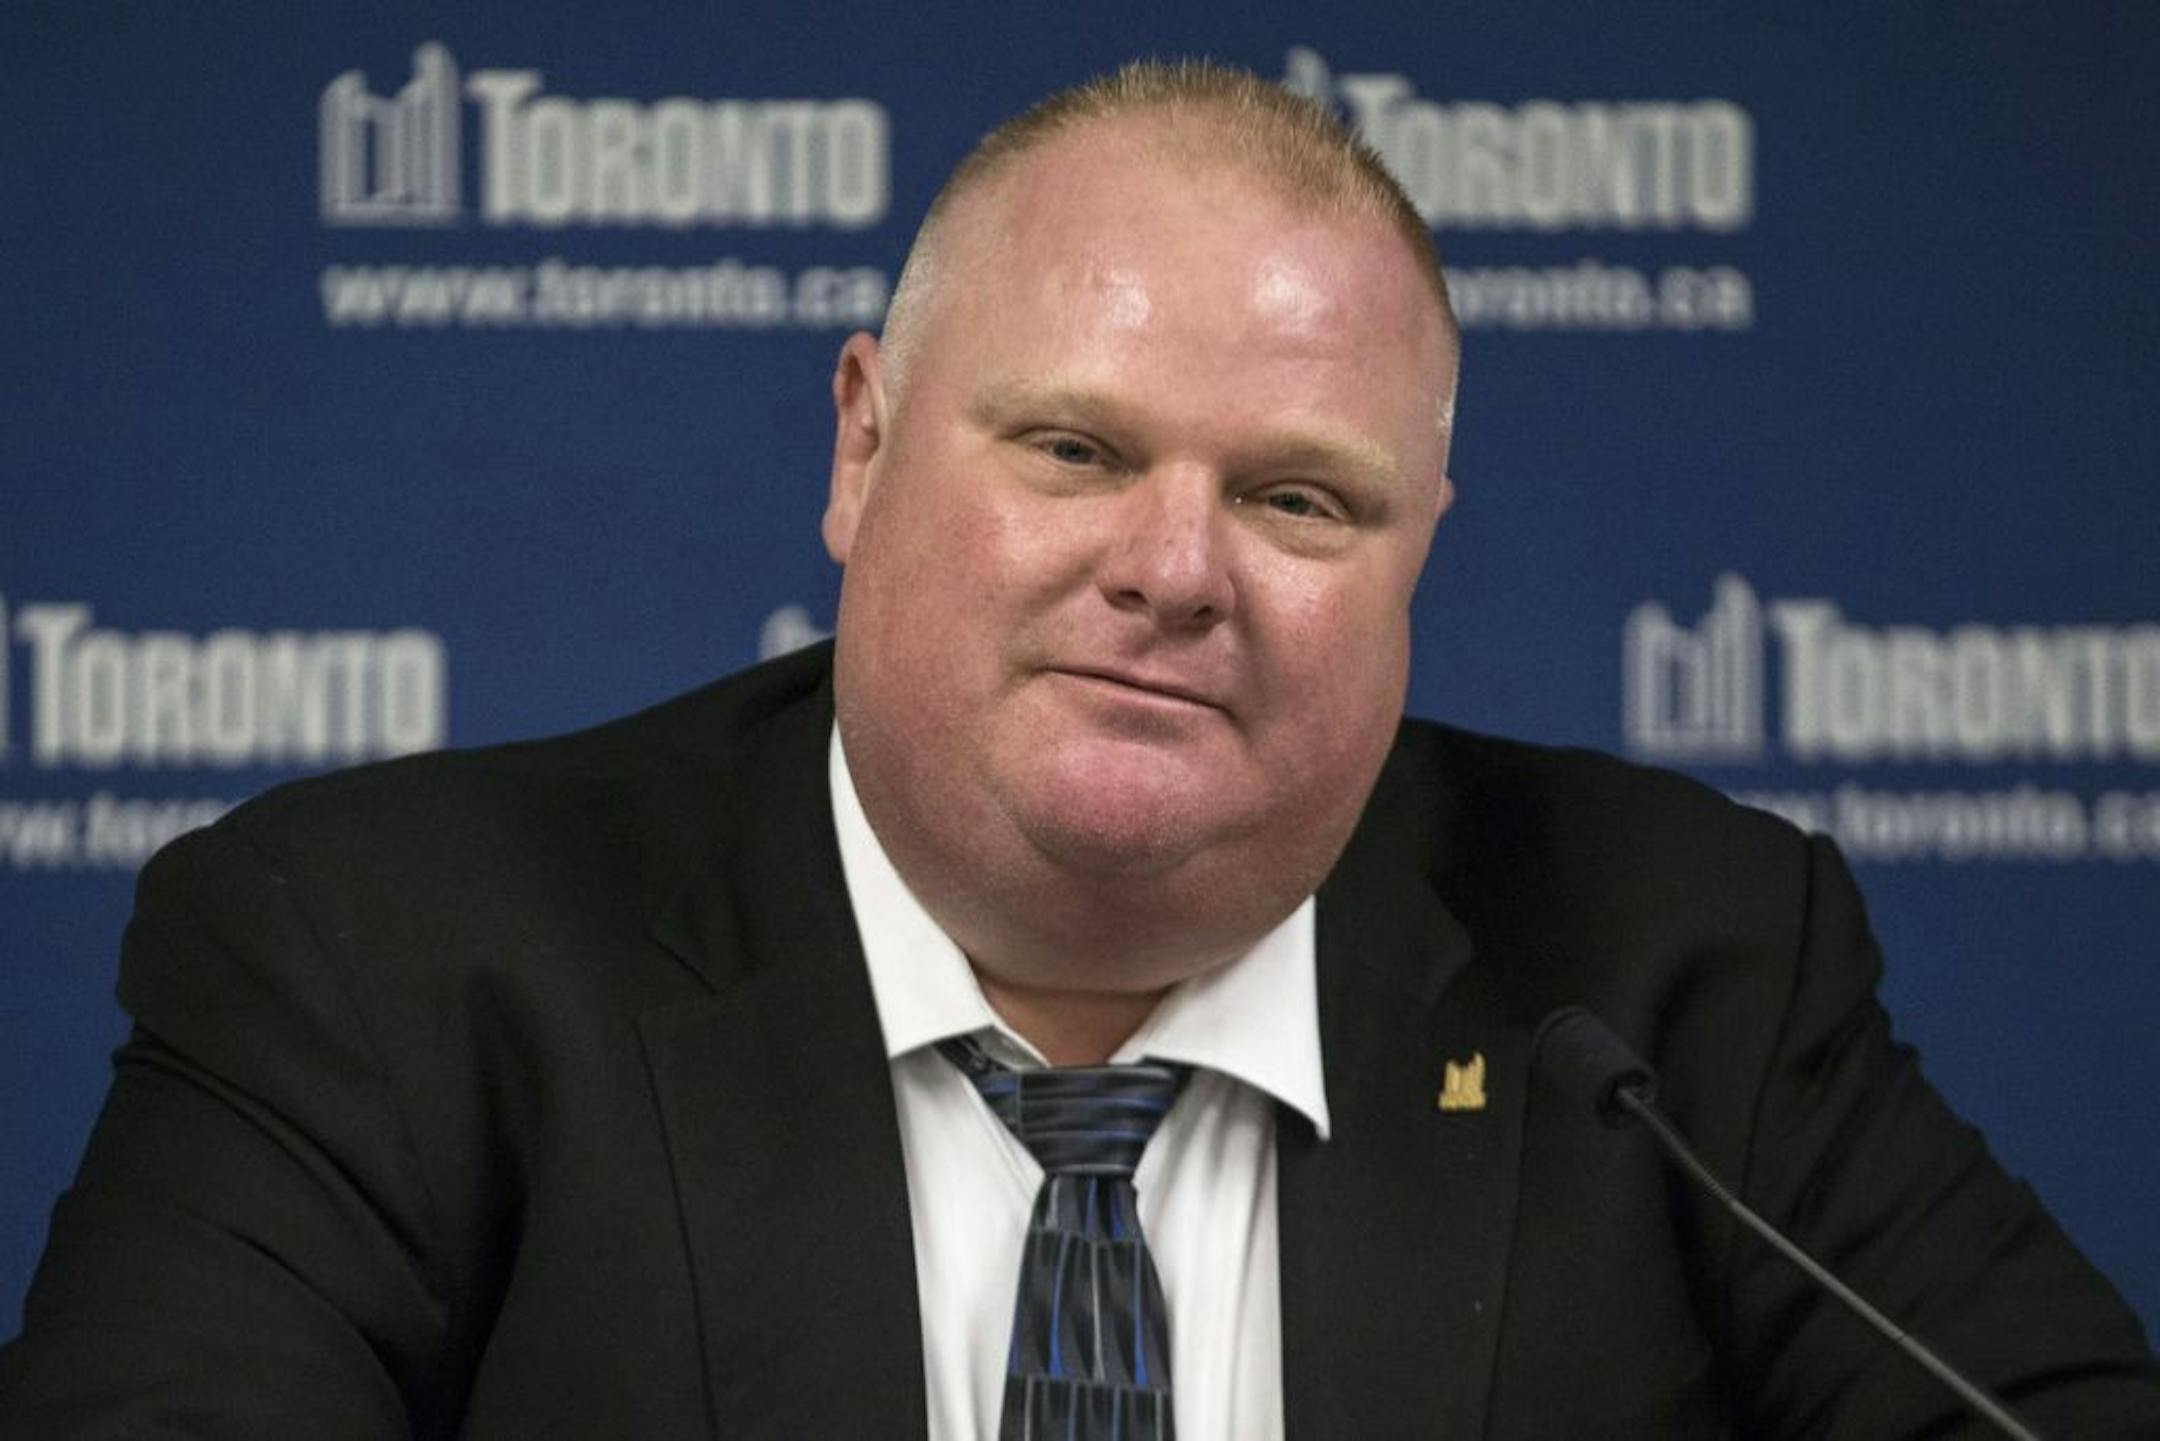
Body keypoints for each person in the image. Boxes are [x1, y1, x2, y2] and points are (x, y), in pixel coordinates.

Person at [3, 59, 2157, 1441]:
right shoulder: (380, 956)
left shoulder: (1683, 966)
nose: (1176, 567)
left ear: (1421, 551)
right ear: (859, 445)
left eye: (1301, 497)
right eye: (1074, 446)